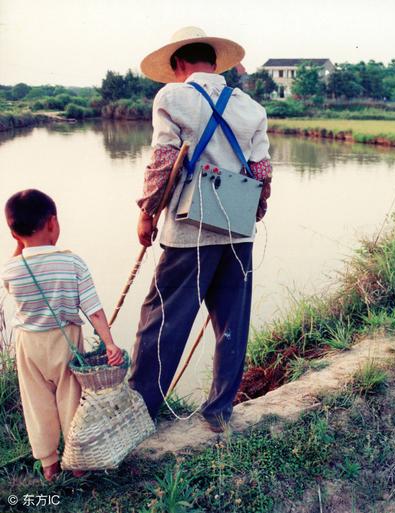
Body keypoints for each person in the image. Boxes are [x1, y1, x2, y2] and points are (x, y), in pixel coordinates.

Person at [129, 27, 272, 432]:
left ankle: (142, 412)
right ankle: (219, 410)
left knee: (164, 318)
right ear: (215, 63)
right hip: (238, 228)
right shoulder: (251, 107)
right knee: (232, 322)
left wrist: (147, 213)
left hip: (189, 231)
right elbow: (262, 172)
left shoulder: (173, 97)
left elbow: (163, 163)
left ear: (178, 65)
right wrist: (253, 212)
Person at [2, 189, 124, 481]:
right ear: (53, 223)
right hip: (64, 340)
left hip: (28, 344)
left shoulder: (11, 269)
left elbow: (13, 283)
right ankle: (78, 462)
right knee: (72, 400)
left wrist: (20, 246)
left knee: (36, 404)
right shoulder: (72, 263)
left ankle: (49, 465)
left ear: (13, 232)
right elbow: (93, 309)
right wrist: (108, 343)